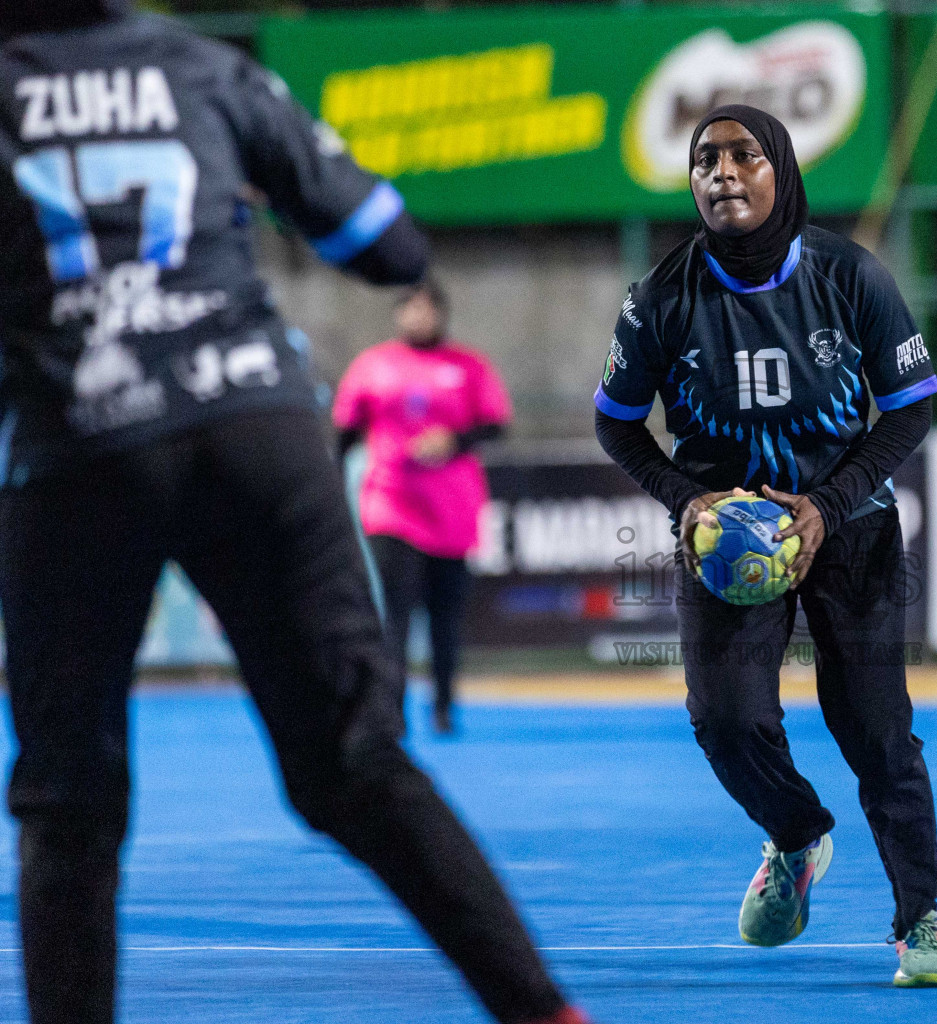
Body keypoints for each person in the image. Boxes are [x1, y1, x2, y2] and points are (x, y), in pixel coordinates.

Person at [0, 3, 583, 1022]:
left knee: (70, 802)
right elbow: (392, 247)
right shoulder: (200, 66)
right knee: (354, 760)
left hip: (83, 447)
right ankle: (543, 1011)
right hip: (254, 427)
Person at [594, 104, 937, 988]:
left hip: (850, 526)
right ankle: (798, 836)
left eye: (744, 155)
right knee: (725, 721)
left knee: (877, 734)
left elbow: (910, 404)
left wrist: (829, 505)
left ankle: (921, 925)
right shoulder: (659, 299)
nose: (722, 172)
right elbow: (616, 427)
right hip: (725, 541)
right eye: (704, 159)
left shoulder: (850, 275)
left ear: (781, 168)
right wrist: (688, 501)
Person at [335, 280, 510, 735]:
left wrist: (454, 441)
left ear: (441, 314)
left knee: (445, 615)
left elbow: (495, 424)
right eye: (408, 307)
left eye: (426, 308)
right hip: (391, 504)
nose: (417, 316)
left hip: (452, 508)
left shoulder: (468, 365)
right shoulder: (373, 365)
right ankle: (390, 709)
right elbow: (344, 434)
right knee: (395, 612)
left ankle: (444, 704)